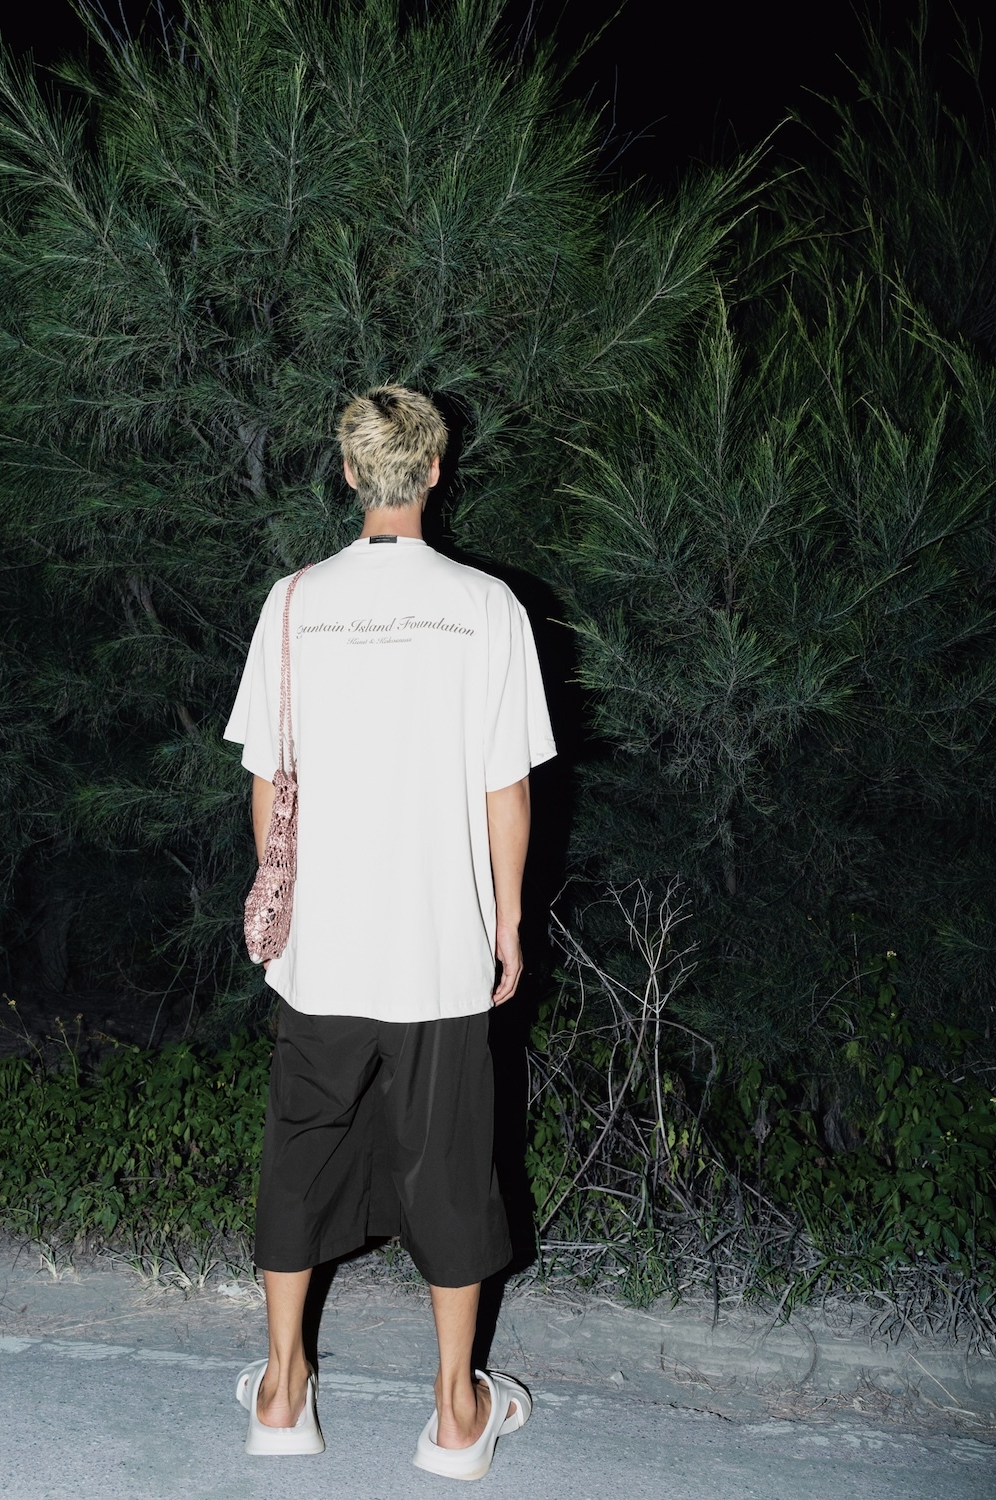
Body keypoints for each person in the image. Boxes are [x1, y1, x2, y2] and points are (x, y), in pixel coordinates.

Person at [222, 384, 556, 1480]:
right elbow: (507, 789)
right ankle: (457, 1417)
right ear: (436, 471)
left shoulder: (293, 602)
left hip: (322, 952)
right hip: (439, 950)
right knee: (450, 1165)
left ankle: (282, 1398)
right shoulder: (487, 607)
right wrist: (507, 920)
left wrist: (285, 901)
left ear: (352, 472)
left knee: (300, 1152)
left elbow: (269, 781)